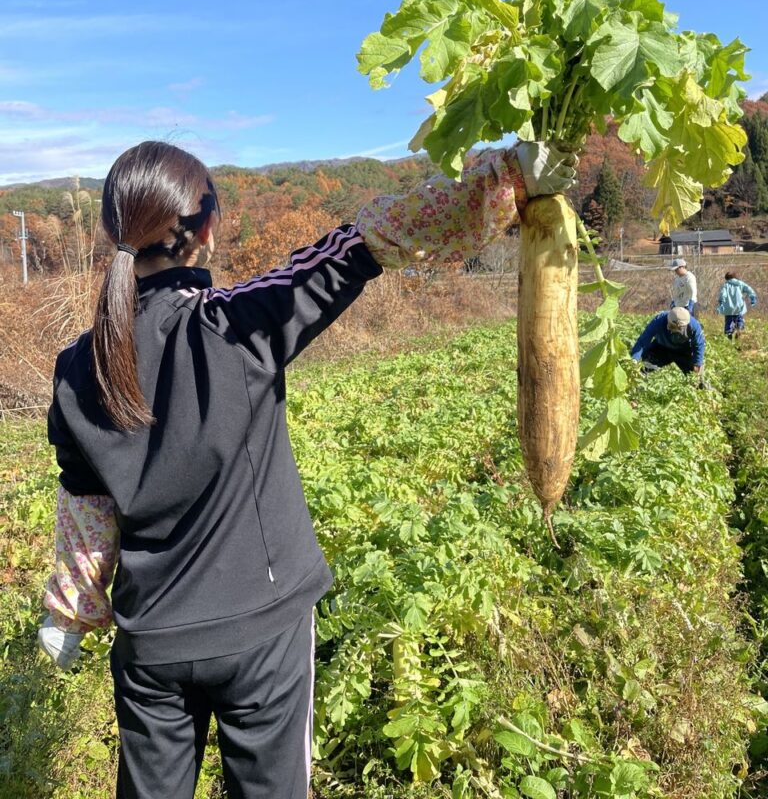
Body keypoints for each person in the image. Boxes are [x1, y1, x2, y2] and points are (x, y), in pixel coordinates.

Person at [36, 138, 577, 799]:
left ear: (109, 230)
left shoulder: (75, 367)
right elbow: (367, 241)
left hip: (152, 644)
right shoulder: (238, 325)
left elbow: (85, 505)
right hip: (263, 633)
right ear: (204, 232)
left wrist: (71, 612)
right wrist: (506, 180)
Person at [630, 306, 706, 382]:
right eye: (670, 325)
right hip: (661, 347)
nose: (670, 328)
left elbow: (699, 345)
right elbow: (643, 340)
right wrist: (634, 359)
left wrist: (697, 364)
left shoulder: (694, 325)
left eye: (674, 327)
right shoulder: (659, 320)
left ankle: (704, 388)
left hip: (683, 351)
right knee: (642, 369)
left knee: (696, 380)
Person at [716, 271, 757, 341]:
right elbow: (749, 290)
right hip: (739, 308)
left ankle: (729, 337)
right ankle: (739, 329)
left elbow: (722, 295)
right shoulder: (740, 284)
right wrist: (752, 298)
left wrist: (720, 303)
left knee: (729, 323)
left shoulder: (725, 285)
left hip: (728, 309)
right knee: (739, 320)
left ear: (726, 278)